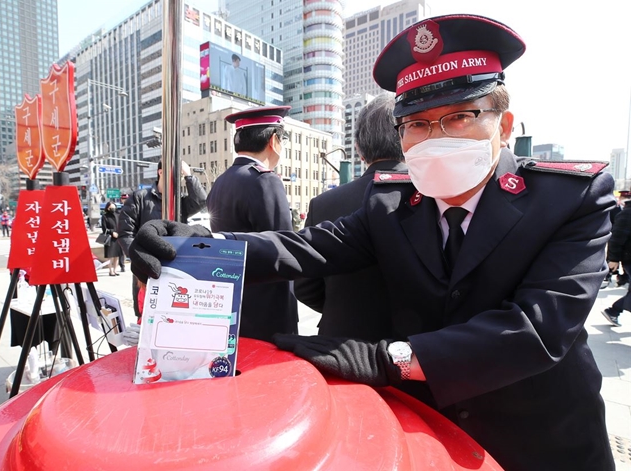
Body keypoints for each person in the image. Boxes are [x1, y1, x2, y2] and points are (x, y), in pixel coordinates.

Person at [129, 14, 615, 470]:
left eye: (460, 117)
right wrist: (199, 245)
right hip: (432, 436)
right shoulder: (392, 204)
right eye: (419, 124)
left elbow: (537, 329)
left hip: (541, 440)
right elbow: (307, 248)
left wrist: (389, 359)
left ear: (503, 126)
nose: (436, 138)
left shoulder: (569, 199)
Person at [294, 94, 406, 340]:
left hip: (340, 345)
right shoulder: (434, 197)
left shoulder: (323, 204)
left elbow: (305, 287)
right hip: (415, 352)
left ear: (358, 147)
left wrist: (342, 312)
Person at [206, 105, 298, 342]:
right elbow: (284, 249)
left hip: (231, 302)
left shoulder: (221, 181)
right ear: (274, 140)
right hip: (267, 312)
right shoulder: (265, 180)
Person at [118, 159, 207, 317]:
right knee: (147, 315)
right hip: (146, 269)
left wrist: (189, 176)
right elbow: (125, 233)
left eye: (180, 175)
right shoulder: (139, 198)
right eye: (176, 173)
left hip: (176, 266)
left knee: (177, 314)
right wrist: (140, 259)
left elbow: (200, 201)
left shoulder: (180, 201)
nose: (178, 178)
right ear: (161, 172)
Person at [602, 195, 631, 327]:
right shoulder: (627, 213)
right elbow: (616, 238)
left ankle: (614, 311)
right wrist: (613, 259)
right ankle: (614, 310)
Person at [101, 202, 122, 276]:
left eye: (114, 207)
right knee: (110, 255)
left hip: (117, 237)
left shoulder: (118, 215)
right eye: (111, 207)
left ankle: (115, 270)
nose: (113, 209)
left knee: (117, 255)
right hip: (109, 237)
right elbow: (104, 228)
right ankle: (110, 271)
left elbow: (121, 225)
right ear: (108, 208)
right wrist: (112, 232)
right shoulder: (105, 216)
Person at [117, 194, 130, 273]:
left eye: (126, 199)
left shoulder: (133, 207)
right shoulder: (119, 210)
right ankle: (122, 265)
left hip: (130, 231)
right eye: (123, 199)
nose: (125, 200)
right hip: (121, 231)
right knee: (121, 251)